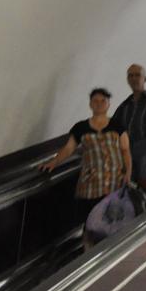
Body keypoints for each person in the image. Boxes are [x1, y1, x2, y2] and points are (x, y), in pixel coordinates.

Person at [40, 88, 132, 237]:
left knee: (112, 219)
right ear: (90, 104)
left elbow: (125, 150)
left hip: (114, 181)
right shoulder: (81, 127)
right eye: (95, 101)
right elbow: (68, 148)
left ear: (109, 104)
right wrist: (54, 162)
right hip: (90, 182)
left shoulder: (117, 126)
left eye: (103, 101)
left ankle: (110, 249)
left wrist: (128, 172)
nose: (99, 104)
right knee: (90, 219)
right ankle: (90, 250)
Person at [112, 63, 146, 183]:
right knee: (128, 183)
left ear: (145, 79)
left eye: (137, 75)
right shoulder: (124, 106)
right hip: (127, 150)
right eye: (131, 76)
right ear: (128, 80)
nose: (134, 78)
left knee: (145, 181)